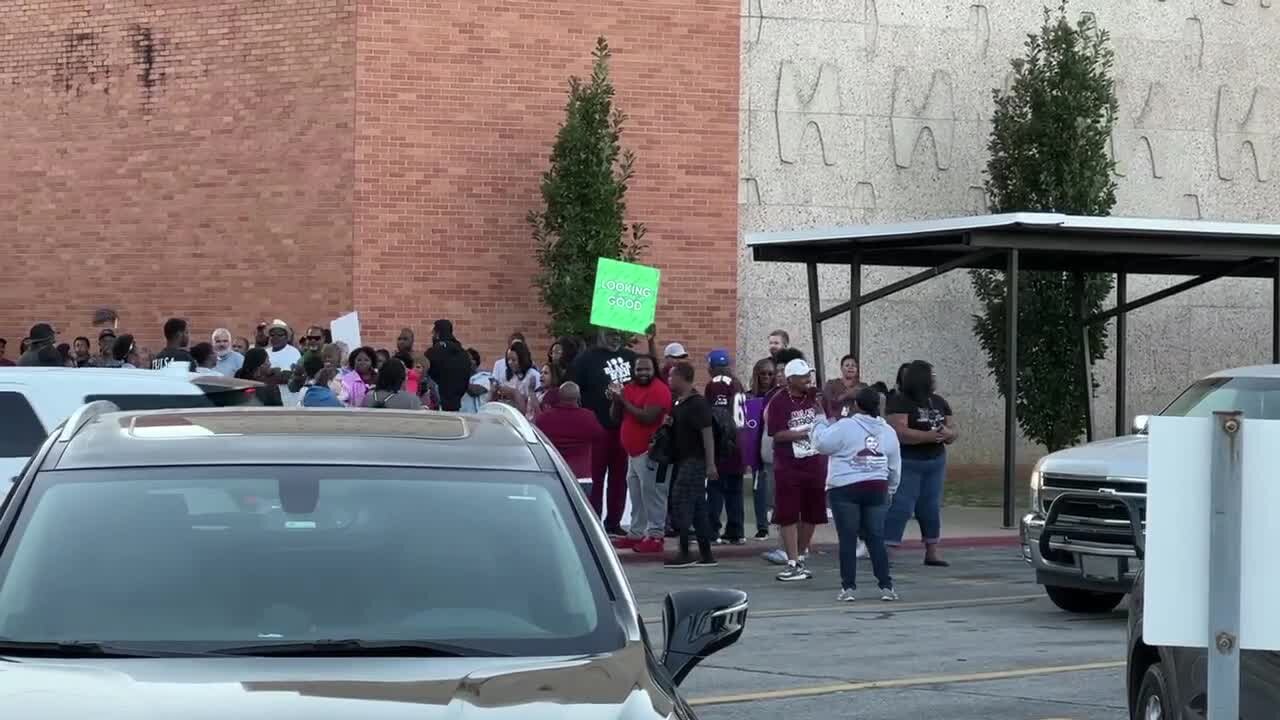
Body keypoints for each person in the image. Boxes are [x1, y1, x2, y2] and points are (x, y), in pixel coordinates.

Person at [812, 386, 900, 602]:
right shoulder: (888, 431)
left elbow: (821, 444)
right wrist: (891, 489)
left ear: (856, 406)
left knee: (848, 538)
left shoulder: (846, 426)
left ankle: (848, 587)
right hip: (877, 487)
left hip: (845, 487)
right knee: (875, 537)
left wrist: (820, 419)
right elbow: (895, 466)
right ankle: (886, 586)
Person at [885, 360, 958, 567]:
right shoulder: (899, 401)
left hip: (935, 461)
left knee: (931, 507)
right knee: (901, 506)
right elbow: (899, 432)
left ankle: (932, 551)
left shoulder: (939, 401)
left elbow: (953, 429)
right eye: (931, 375)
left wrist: (948, 434)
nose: (934, 379)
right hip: (908, 461)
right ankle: (887, 550)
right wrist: (930, 436)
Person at [766, 358, 829, 581]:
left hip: (814, 463)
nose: (808, 380)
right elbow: (776, 434)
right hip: (788, 465)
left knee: (812, 512)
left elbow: (826, 423)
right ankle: (791, 561)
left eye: (808, 375)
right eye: (803, 376)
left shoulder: (813, 399)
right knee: (788, 513)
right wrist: (804, 433)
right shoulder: (779, 402)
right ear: (790, 379)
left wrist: (818, 405)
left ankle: (801, 557)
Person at [572, 327, 639, 535]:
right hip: (596, 428)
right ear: (601, 333)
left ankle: (614, 523)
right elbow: (573, 388)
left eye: (619, 334)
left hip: (624, 427)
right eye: (611, 334)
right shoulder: (586, 359)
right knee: (596, 479)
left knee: (620, 479)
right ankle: (594, 524)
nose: (615, 338)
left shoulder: (631, 357)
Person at [611, 355, 673, 555]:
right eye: (639, 370)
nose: (643, 373)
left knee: (653, 494)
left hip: (652, 451)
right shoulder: (629, 388)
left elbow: (648, 418)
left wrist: (623, 400)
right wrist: (616, 400)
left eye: (647, 369)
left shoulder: (659, 390)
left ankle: (656, 535)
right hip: (633, 452)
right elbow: (615, 416)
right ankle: (637, 533)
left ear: (653, 370)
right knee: (637, 494)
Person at [664, 362, 718, 568]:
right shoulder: (679, 403)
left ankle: (685, 551)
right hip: (683, 459)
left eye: (671, 376)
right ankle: (706, 553)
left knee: (681, 502)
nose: (669, 380)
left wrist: (710, 464)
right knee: (697, 507)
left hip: (694, 461)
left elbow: (707, 434)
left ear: (681, 377)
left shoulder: (697, 404)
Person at [704, 349, 747, 544]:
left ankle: (712, 529)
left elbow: (716, 416)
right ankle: (736, 530)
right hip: (739, 441)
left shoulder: (716, 384)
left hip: (723, 443)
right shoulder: (737, 382)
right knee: (734, 491)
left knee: (715, 488)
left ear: (711, 366)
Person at [535, 382, 605, 484]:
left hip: (554, 475)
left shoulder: (544, 418)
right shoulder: (588, 417)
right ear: (578, 397)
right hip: (581, 476)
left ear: (559, 396)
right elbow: (600, 438)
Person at [744, 358, 775, 540]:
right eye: (762, 373)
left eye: (770, 374)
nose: (766, 377)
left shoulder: (779, 396)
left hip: (774, 447)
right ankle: (762, 526)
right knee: (759, 489)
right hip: (755, 448)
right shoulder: (748, 397)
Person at [426, 319, 472, 411]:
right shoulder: (462, 352)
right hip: (459, 402)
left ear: (438, 333)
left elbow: (427, 371)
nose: (432, 336)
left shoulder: (434, 351)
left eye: (433, 333)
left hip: (439, 402)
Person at [495, 340, 540, 415]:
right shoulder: (506, 374)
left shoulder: (533, 375)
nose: (510, 363)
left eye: (513, 360)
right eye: (508, 359)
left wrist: (514, 393)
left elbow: (532, 408)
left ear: (522, 359)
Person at [461, 348, 494, 413]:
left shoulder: (485, 377)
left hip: (479, 417)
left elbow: (475, 391)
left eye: (468, 359)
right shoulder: (460, 378)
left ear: (475, 362)